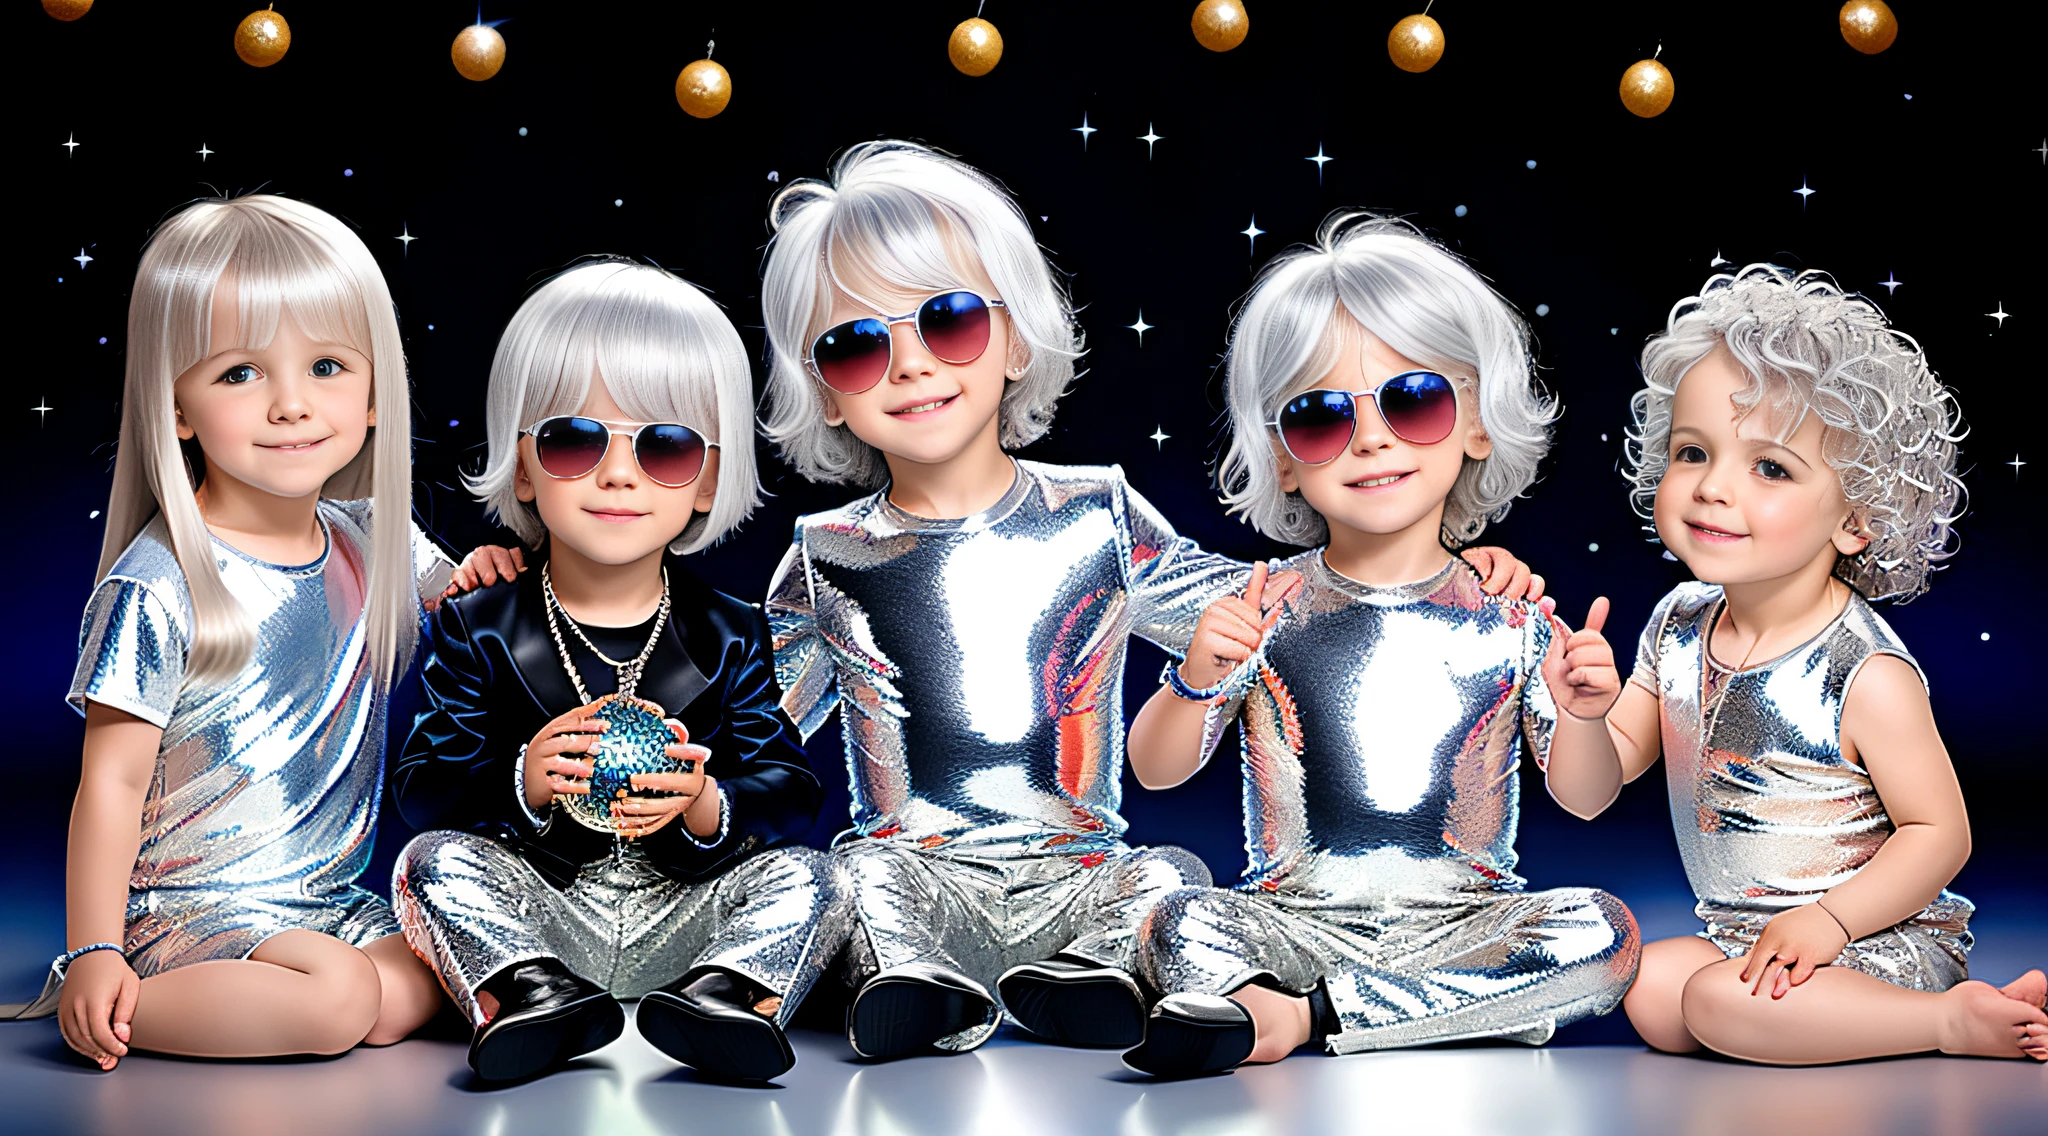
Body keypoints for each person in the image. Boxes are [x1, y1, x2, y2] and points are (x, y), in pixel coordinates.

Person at [758, 143, 1540, 1058]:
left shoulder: (1100, 516)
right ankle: (909, 988)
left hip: (1082, 880)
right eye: (856, 346)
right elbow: (753, 726)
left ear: (1014, 339)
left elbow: (1260, 608)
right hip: (914, 878)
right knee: (857, 870)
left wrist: (1444, 570)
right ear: (822, 391)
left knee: (1170, 873)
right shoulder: (825, 555)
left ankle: (1087, 978)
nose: (910, 365)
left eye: (950, 321)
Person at [1122, 212, 1639, 1078]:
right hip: (1292, 922)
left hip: (1469, 926)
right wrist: (1196, 675)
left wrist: (1586, 715)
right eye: (1321, 417)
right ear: (1285, 458)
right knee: (1176, 920)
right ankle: (1442, 1014)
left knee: (1605, 932)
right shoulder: (1264, 604)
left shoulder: (1511, 614)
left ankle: (1305, 1018)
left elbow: (1586, 800)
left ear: (1476, 423)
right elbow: (1155, 770)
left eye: (1413, 400)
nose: (1371, 439)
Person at [1544, 264, 2047, 1064]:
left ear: (1858, 517)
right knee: (1652, 988)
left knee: (1711, 999)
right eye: (1692, 452)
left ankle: (1949, 1019)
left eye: (1769, 467)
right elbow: (1587, 796)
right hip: (1750, 940)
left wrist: (1831, 921)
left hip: (1875, 938)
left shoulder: (1864, 670)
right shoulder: (1676, 625)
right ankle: (1785, 1016)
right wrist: (1581, 715)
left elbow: (1940, 833)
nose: (1712, 489)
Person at [26, 195, 468, 1069]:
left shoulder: (375, 538)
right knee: (343, 1001)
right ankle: (125, 1005)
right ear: (177, 407)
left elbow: (478, 609)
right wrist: (95, 952)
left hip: (329, 903)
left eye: (330, 367)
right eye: (241, 374)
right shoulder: (160, 584)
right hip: (193, 910)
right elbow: (110, 784)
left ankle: (303, 994)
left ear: (379, 390)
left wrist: (487, 573)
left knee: (438, 977)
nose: (293, 406)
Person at [388, 260, 845, 1083]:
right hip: (544, 906)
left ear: (706, 480)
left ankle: (724, 997)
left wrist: (710, 805)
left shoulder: (731, 631)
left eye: (665, 447)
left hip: (686, 912)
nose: (619, 474)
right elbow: (424, 788)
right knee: (426, 866)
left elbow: (790, 786)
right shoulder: (480, 623)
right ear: (524, 467)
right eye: (573, 440)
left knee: (818, 877)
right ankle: (529, 996)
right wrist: (523, 782)